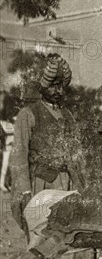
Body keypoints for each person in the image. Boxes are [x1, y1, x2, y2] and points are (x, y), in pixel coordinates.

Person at [9, 53, 76, 232]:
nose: (59, 91)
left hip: (67, 183)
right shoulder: (28, 114)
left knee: (66, 236)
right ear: (43, 86)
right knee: (40, 234)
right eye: (54, 86)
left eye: (62, 86)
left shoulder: (68, 115)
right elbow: (19, 155)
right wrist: (24, 191)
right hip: (40, 184)